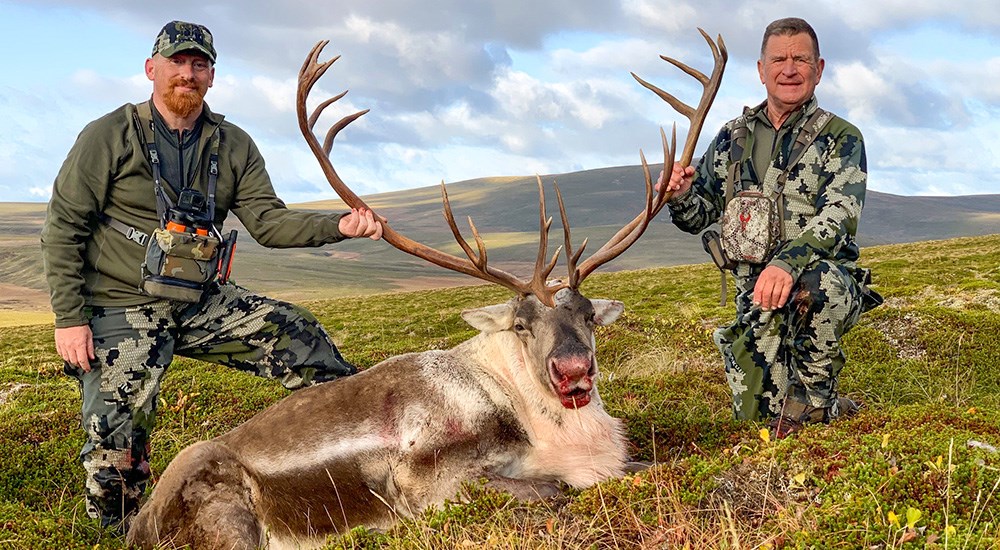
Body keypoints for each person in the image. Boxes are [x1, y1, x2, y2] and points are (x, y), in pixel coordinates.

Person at [40, 20, 383, 531]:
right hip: (117, 305)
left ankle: (360, 469)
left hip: (200, 299)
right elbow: (64, 226)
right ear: (151, 69)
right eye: (177, 62)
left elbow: (270, 222)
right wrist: (70, 318)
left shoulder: (233, 144)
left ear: (212, 76)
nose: (188, 73)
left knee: (301, 337)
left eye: (199, 64)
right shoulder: (109, 135)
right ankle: (122, 535)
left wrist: (338, 225)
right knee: (116, 438)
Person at [658, 17, 879, 438]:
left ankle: (813, 404)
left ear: (819, 68)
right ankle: (832, 406)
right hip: (756, 299)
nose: (789, 69)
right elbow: (698, 218)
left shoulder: (841, 137)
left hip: (815, 287)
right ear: (761, 70)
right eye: (778, 59)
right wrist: (681, 194)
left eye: (801, 59)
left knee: (821, 285)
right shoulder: (730, 138)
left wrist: (787, 264)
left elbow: (840, 213)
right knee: (756, 423)